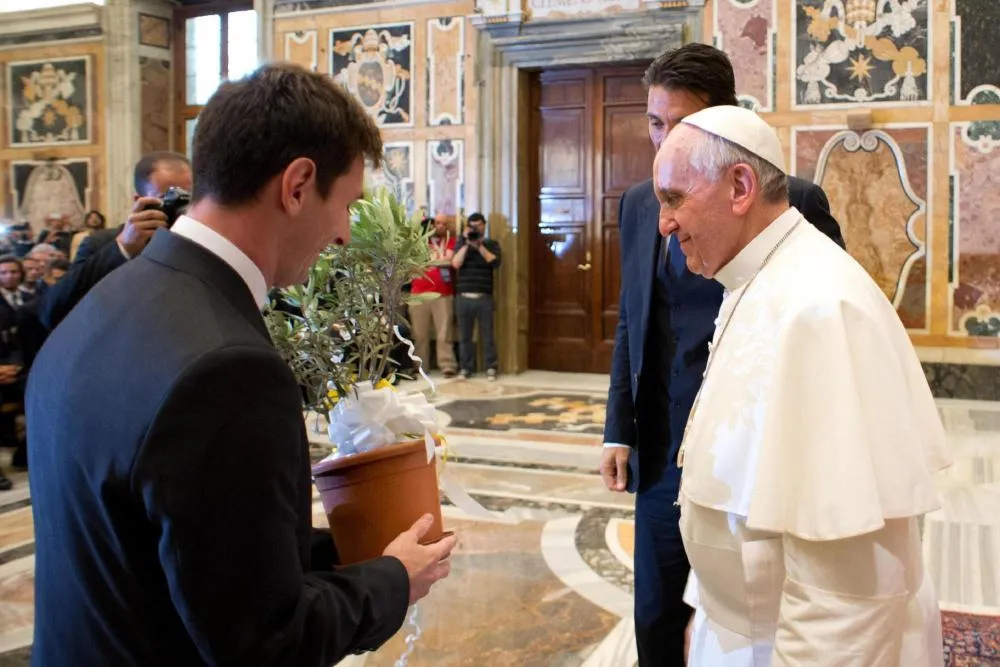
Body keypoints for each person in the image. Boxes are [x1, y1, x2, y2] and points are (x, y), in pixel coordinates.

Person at [27, 63, 457, 666]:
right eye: (348, 205)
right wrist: (393, 581)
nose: (342, 236)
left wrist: (352, 550)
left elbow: (182, 539)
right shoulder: (229, 370)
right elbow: (266, 642)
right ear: (298, 184)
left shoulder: (104, 301)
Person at [658, 103, 949, 666]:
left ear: (740, 185)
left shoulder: (820, 307)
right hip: (746, 629)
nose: (665, 222)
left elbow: (849, 590)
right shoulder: (755, 277)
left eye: (674, 198)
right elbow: (734, 492)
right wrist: (709, 607)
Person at [598, 44, 845, 667]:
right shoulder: (635, 205)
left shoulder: (794, 201)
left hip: (749, 452)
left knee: (743, 615)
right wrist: (617, 431)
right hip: (661, 452)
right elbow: (633, 320)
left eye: (680, 124)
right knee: (655, 617)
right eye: (656, 124)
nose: (663, 141)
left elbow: (825, 320)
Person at [38, 152, 193, 330]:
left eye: (189, 198)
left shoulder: (200, 242)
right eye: (171, 198)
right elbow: (53, 311)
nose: (184, 208)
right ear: (140, 200)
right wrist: (122, 248)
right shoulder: (102, 243)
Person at [452, 212, 502, 380]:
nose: (476, 228)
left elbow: (494, 262)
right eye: (473, 226)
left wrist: (479, 245)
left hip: (484, 297)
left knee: (488, 335)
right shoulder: (461, 243)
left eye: (479, 225)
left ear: (484, 225)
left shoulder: (491, 244)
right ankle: (466, 368)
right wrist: (467, 243)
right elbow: (455, 263)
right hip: (463, 297)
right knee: (464, 336)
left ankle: (491, 367)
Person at [409, 213, 458, 377]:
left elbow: (450, 261)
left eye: (443, 223)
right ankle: (420, 367)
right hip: (418, 294)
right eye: (437, 223)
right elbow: (413, 265)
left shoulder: (451, 240)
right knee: (419, 334)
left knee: (444, 333)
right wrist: (438, 259)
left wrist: (430, 262)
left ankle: (447, 365)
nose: (440, 226)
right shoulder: (417, 243)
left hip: (443, 293)